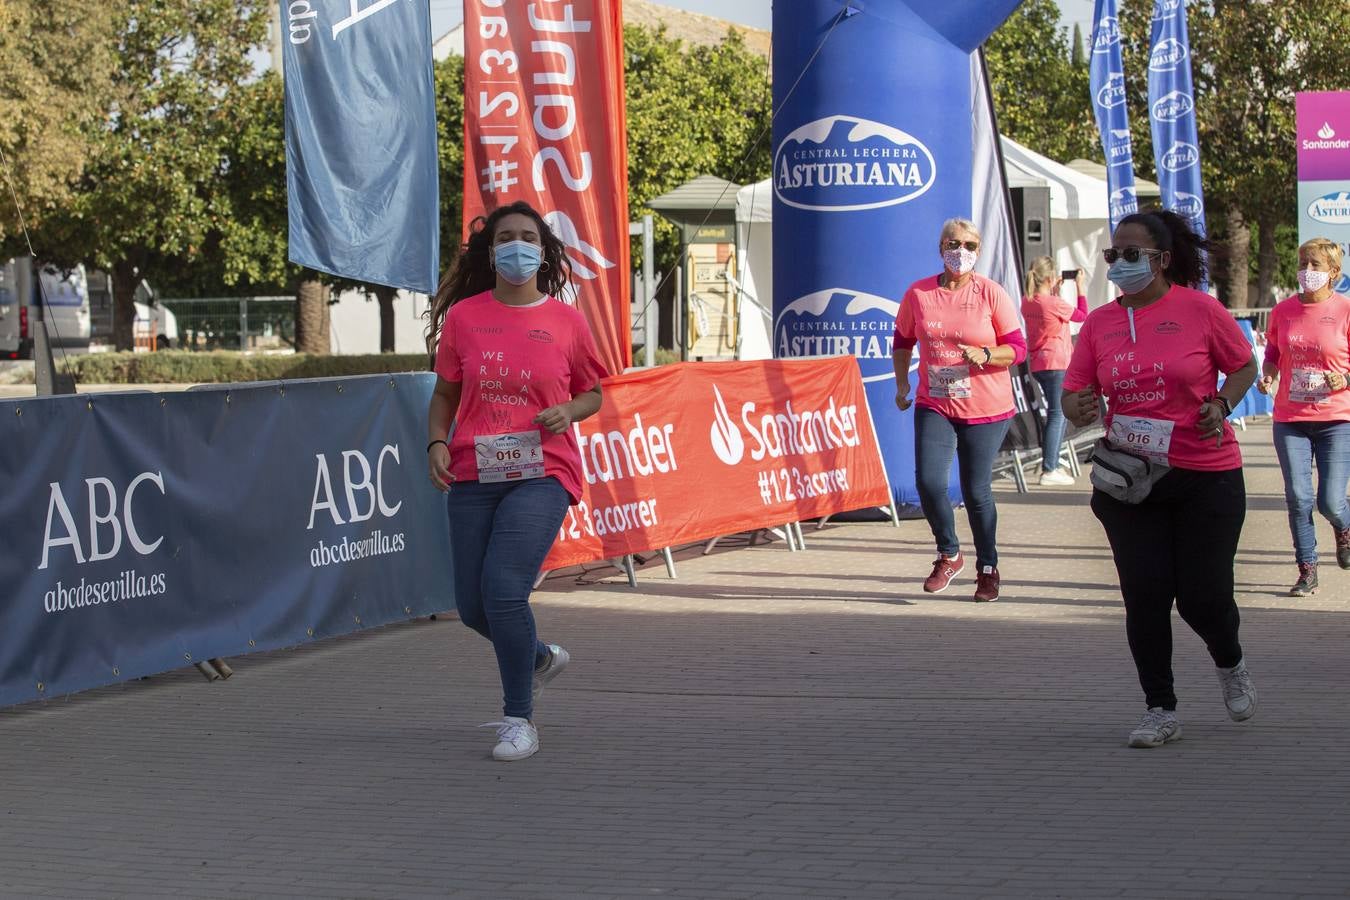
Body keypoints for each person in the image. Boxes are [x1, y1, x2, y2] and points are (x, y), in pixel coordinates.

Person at [1062, 209, 1259, 749]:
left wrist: (1221, 403)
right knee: (1145, 595)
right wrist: (1077, 405)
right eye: (1112, 255)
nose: (1119, 264)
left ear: (1162, 260)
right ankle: (1159, 707)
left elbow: (1244, 365)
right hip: (1130, 481)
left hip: (1205, 475)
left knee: (1203, 598)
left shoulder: (1200, 311)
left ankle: (1230, 662)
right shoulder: (1099, 323)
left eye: (1131, 255)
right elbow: (1075, 396)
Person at [426, 200, 607, 762]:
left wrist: (569, 413)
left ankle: (518, 718)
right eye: (507, 237)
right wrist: (435, 442)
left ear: (544, 249)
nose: (517, 246)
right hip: (474, 470)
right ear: (491, 248)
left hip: (545, 471)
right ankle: (535, 658)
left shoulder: (567, 320)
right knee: (474, 606)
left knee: (504, 591)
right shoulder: (464, 318)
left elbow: (593, 391)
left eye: (529, 236)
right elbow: (444, 396)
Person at [892, 218, 1027, 602]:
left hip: (986, 405)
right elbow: (902, 340)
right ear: (941, 248)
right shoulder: (919, 293)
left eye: (969, 245)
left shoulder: (991, 293)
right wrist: (902, 382)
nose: (961, 251)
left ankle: (988, 568)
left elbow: (1018, 348)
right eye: (953, 243)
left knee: (975, 490)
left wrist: (985, 354)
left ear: (978, 251)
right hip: (935, 400)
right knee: (930, 483)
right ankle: (949, 552)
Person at [1258, 237, 1350, 596]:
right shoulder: (1283, 311)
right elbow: (1273, 352)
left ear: (1333, 273)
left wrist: (1344, 378)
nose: (1307, 272)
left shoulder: (1344, 310)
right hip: (1290, 417)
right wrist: (1269, 374)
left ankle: (1343, 527)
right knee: (1298, 497)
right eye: (1303, 264)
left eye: (1315, 265)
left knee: (1329, 500)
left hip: (1336, 418)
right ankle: (1307, 569)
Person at [1021, 257, 1089, 486]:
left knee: (1055, 414)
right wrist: (1080, 287)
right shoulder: (1053, 303)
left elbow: (1049, 314)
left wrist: (1055, 293)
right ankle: (1050, 468)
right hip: (1057, 362)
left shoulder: (1028, 301)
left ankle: (1053, 464)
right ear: (1050, 278)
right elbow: (1082, 315)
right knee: (1057, 416)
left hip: (1039, 363)